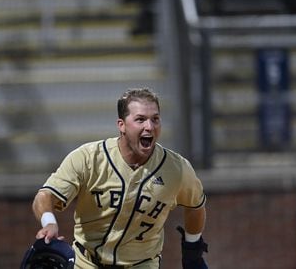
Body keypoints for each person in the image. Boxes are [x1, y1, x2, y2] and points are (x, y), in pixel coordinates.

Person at [31, 87, 208, 268]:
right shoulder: (88, 158)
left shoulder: (177, 169)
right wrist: (49, 223)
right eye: (140, 119)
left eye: (155, 119)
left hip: (141, 264)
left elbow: (195, 206)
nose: (149, 126)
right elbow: (45, 196)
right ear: (121, 125)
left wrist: (192, 247)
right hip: (86, 262)